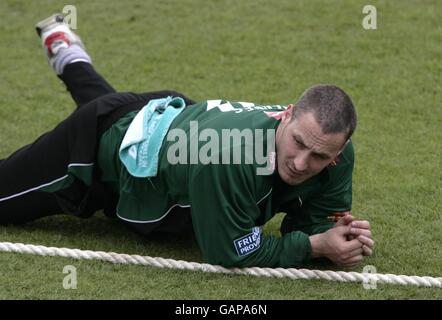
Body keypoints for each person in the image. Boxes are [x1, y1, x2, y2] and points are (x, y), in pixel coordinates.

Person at [0, 14, 374, 268]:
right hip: (99, 150)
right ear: (287, 114)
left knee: (107, 104)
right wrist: (314, 246)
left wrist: (332, 234)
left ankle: (66, 49)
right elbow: (228, 251)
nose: (300, 162)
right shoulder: (229, 155)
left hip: (163, 118)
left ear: (338, 152)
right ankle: (67, 51)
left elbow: (307, 222)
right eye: (297, 143)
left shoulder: (335, 151)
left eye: (319, 156)